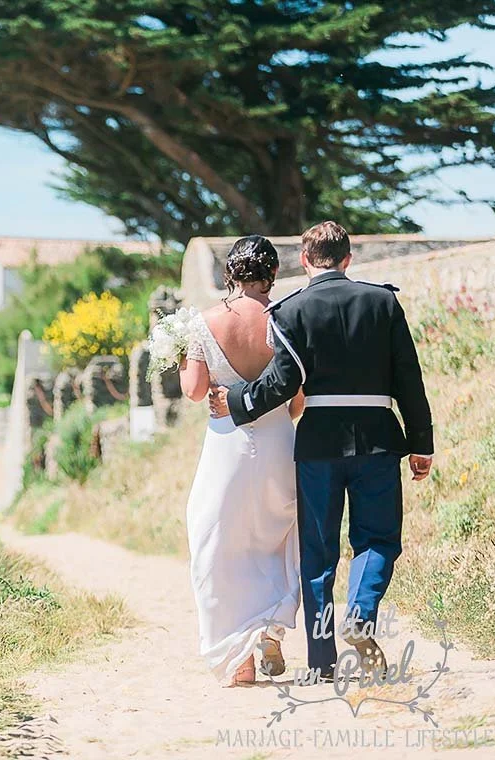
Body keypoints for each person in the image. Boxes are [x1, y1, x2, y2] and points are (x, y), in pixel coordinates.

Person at [208, 221, 434, 680]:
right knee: (377, 539)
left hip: (317, 444)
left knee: (318, 552)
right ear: (348, 259)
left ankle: (321, 661)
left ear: (305, 262)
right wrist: (421, 444)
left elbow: (280, 384)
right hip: (378, 439)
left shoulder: (290, 311)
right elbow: (409, 378)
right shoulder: (383, 302)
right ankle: (361, 615)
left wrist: (234, 402)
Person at [181, 235, 304, 686]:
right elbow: (295, 401)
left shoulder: (205, 322)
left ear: (229, 273)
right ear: (272, 275)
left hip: (226, 445)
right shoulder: (286, 321)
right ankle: (271, 630)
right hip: (278, 443)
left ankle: (240, 659)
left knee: (217, 542)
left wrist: (181, 358)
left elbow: (194, 391)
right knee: (274, 537)